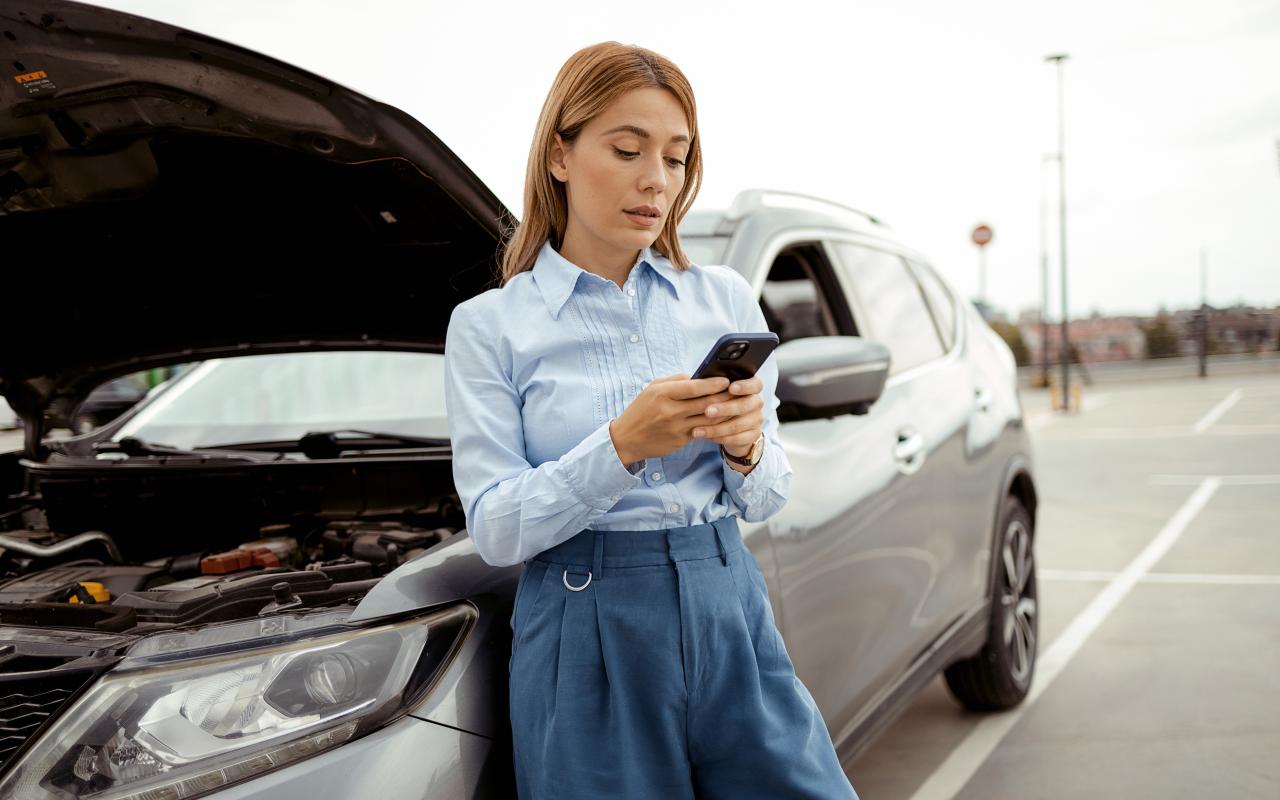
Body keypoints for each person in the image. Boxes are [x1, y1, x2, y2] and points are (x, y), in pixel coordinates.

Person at [444, 40, 861, 800]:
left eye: (676, 157)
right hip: (582, 620)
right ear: (560, 156)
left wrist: (745, 449)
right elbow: (497, 528)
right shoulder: (489, 326)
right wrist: (621, 447)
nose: (656, 181)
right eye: (628, 149)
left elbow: (768, 497)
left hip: (728, 600)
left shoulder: (723, 298)